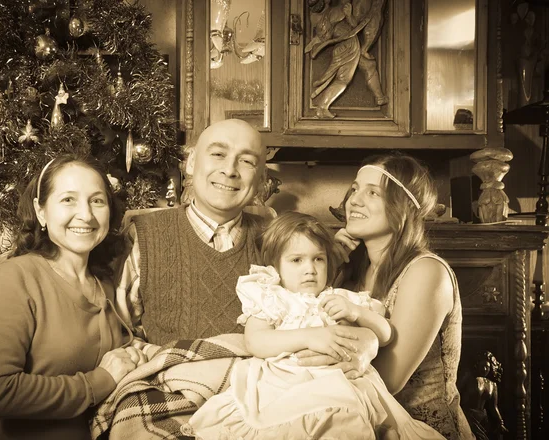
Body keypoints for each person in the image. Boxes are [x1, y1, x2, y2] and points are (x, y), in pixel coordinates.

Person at [114, 118, 379, 380]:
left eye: (247, 161)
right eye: (218, 154)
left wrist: (368, 341)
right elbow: (121, 335)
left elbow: (320, 309)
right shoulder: (145, 234)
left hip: (263, 386)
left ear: (261, 177)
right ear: (192, 162)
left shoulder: (278, 237)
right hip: (171, 383)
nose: (230, 170)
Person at [187, 211, 443, 439]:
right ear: (275, 268)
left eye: (318, 259)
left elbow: (386, 334)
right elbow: (255, 341)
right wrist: (310, 337)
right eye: (297, 260)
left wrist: (358, 314)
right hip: (285, 384)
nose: (309, 269)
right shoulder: (274, 298)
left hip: (339, 385)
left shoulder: (339, 299)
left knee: (344, 421)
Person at [0, 155, 146, 440]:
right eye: (68, 200)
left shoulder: (106, 283)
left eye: (97, 201)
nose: (86, 215)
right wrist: (99, 382)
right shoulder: (15, 279)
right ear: (41, 212)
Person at [326, 152, 475, 439]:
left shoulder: (426, 272)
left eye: (373, 193)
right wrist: (328, 264)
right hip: (364, 422)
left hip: (423, 430)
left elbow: (390, 379)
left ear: (403, 208)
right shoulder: (352, 270)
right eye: (355, 189)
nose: (353, 200)